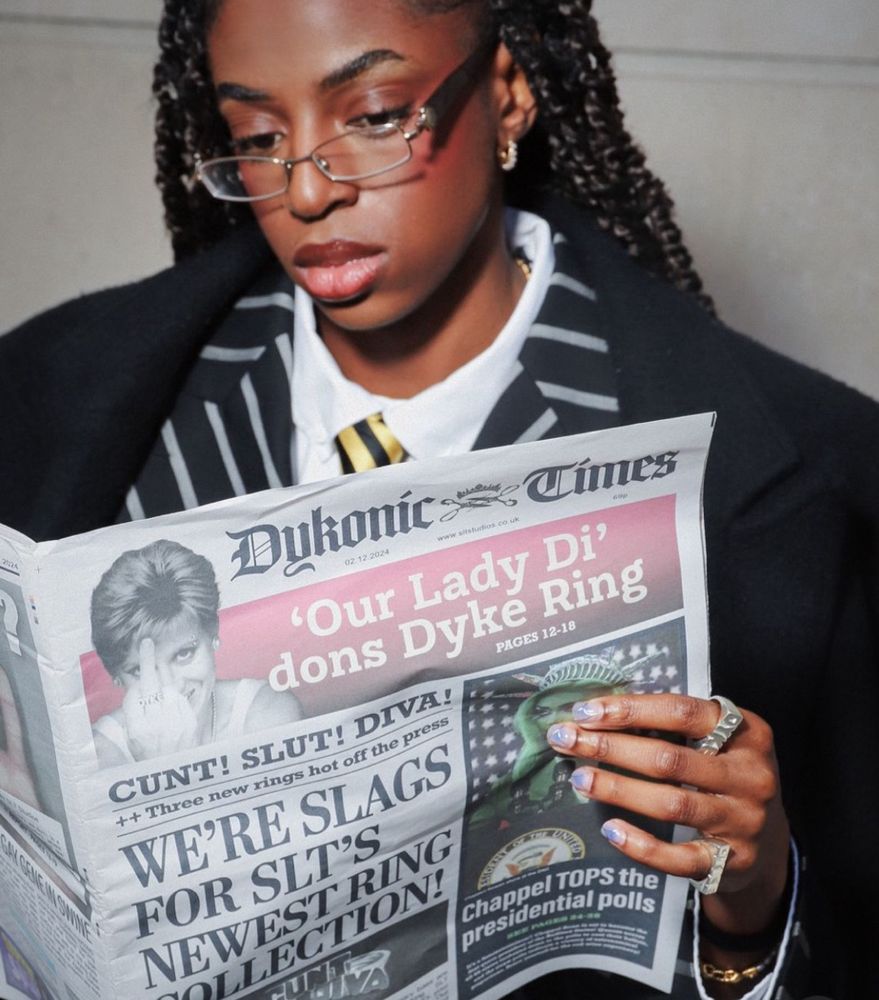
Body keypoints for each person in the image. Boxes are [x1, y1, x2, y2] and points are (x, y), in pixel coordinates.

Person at [0, 0, 876, 996]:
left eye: (373, 115)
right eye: (258, 138)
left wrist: (752, 909)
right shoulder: (59, 404)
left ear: (506, 92)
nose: (309, 192)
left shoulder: (796, 476)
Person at [90, 539, 302, 766]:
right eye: (140, 670)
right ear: (116, 675)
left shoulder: (269, 711)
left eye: (184, 654)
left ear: (213, 635)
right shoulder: (101, 752)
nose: (171, 686)